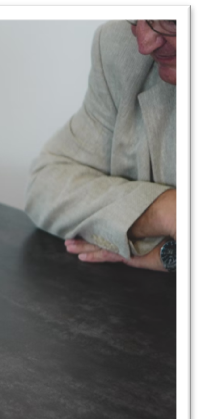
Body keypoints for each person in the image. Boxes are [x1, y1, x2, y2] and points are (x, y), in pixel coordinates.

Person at [26, 20, 176, 272]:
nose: (144, 44)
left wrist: (169, 257)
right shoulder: (119, 47)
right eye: (136, 17)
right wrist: (164, 211)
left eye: (171, 22)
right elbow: (46, 185)